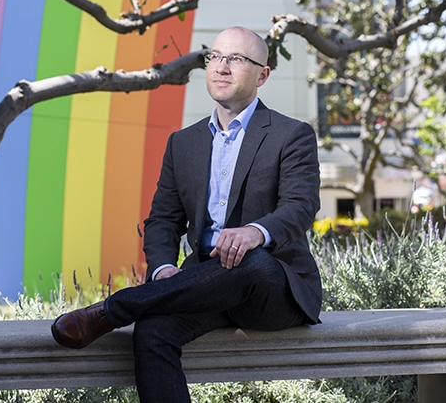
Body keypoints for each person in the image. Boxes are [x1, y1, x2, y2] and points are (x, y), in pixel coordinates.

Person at [51, 26, 322, 403]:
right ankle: (134, 306)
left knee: (253, 261)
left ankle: (112, 310)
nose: (222, 67)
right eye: (215, 57)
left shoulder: (291, 135)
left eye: (236, 59)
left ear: (262, 75)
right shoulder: (183, 143)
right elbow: (163, 220)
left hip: (272, 290)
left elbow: (300, 206)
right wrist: (163, 269)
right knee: (152, 331)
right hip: (204, 285)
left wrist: (254, 232)